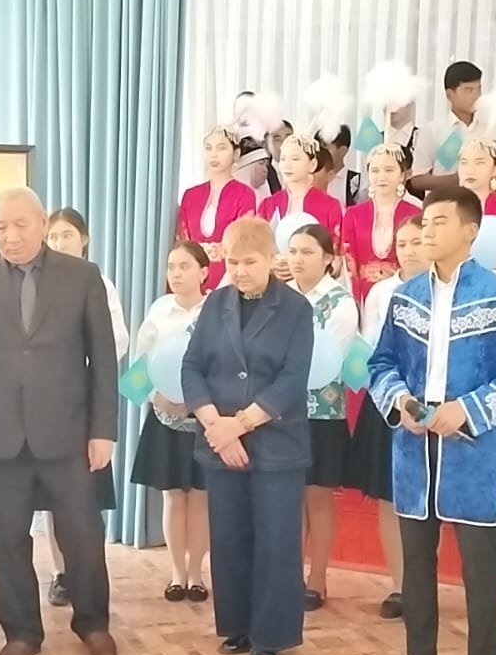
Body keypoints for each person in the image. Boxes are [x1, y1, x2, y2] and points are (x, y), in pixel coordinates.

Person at [366, 183, 496, 655]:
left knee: (478, 568)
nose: (427, 231)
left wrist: (468, 409)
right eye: (424, 222)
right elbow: (381, 364)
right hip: (414, 448)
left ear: (471, 231)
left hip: (473, 450)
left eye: (439, 222)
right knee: (416, 561)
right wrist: (399, 401)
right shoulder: (406, 295)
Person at [0, 187, 119, 655]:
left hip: (68, 431)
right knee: (7, 541)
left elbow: (103, 360)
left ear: (42, 224)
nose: (11, 236)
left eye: (20, 225)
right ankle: (21, 633)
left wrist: (103, 430)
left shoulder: (81, 276)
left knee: (83, 535)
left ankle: (93, 623)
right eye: (1, 226)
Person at [181, 217, 314, 655]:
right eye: (232, 262)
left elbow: (292, 380)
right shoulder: (215, 304)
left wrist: (239, 425)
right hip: (220, 442)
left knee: (276, 542)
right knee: (230, 537)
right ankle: (236, 625)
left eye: (249, 262)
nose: (238, 271)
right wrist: (215, 425)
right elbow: (192, 367)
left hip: (277, 444)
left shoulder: (295, 309)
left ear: (272, 258)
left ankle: (271, 637)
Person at [40, 208, 128, 606]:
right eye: (53, 236)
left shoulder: (98, 283)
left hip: (85, 401)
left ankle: (88, 575)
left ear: (85, 239)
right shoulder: (38, 281)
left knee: (85, 496)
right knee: (49, 497)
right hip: (46, 405)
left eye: (67, 235)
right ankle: (60, 573)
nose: (59, 243)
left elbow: (116, 342)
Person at [129, 241, 211, 602]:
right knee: (173, 497)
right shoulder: (159, 311)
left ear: (204, 272)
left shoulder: (218, 311)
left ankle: (197, 575)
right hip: (165, 416)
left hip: (206, 418)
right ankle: (177, 573)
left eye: (184, 267)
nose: (175, 274)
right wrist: (156, 397)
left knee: (201, 499)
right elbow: (139, 367)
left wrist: (202, 403)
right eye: (171, 267)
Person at [353, 216, 423, 619]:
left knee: (424, 498)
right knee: (388, 497)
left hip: (431, 404)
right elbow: (370, 348)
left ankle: (423, 584)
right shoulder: (381, 292)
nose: (409, 250)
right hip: (387, 402)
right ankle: (399, 586)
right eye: (403, 243)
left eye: (417, 242)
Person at [286, 224, 356, 611]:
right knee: (288, 497)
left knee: (317, 496)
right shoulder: (279, 295)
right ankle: (289, 573)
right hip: (279, 411)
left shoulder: (340, 302)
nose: (297, 259)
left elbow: (328, 356)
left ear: (328, 258)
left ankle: (318, 577)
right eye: (293, 251)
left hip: (322, 412)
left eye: (307, 252)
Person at [177, 126, 260, 290]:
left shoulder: (244, 194)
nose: (213, 154)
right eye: (208, 148)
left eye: (221, 148)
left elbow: (243, 240)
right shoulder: (190, 195)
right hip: (193, 274)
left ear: (236, 154)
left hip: (228, 274)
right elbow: (183, 237)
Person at [339, 144, 422, 305]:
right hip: (363, 297)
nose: (381, 177)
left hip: (404, 294)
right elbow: (349, 262)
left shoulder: (416, 213)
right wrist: (356, 303)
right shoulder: (353, 214)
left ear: (402, 175)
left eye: (389, 170)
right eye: (375, 171)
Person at [258, 136, 346, 251]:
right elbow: (258, 246)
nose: (287, 165)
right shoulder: (267, 205)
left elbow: (336, 249)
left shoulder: (330, 205)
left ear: (312, 164)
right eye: (283, 159)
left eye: (295, 159)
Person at [410, 61, 483, 194]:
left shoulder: (488, 128)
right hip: (444, 201)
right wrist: (457, 179)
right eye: (468, 90)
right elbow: (417, 179)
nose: (475, 96)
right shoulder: (432, 130)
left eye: (478, 89)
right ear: (449, 94)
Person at [455, 136, 496, 223]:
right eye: (464, 163)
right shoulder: (447, 205)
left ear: (495, 168)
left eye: (479, 163)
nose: (470, 170)